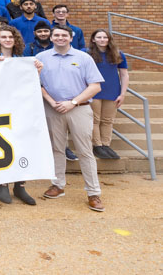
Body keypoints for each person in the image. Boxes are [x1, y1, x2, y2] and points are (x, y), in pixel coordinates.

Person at [38, 25, 106, 211]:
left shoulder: (84, 58)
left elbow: (95, 87)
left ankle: (93, 193)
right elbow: (37, 83)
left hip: (79, 109)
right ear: (51, 38)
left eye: (64, 35)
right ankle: (58, 185)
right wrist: (52, 102)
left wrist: (73, 102)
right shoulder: (41, 58)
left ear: (71, 37)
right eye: (57, 35)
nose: (60, 38)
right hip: (53, 109)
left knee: (85, 151)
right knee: (56, 149)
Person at [0, 25, 38, 206]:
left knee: (21, 145)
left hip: (19, 109)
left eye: (10, 37)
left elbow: (31, 83)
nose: (7, 40)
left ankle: (20, 185)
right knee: (2, 145)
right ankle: (3, 183)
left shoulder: (23, 62)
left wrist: (36, 70)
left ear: (15, 40)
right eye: (3, 37)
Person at [87, 29, 129, 160]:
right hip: (94, 90)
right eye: (99, 37)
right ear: (93, 39)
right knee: (95, 119)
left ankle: (106, 144)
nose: (102, 40)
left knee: (107, 120)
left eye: (105, 37)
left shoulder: (118, 54)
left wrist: (122, 94)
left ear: (109, 39)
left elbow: (124, 74)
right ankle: (97, 145)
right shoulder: (87, 54)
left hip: (112, 91)